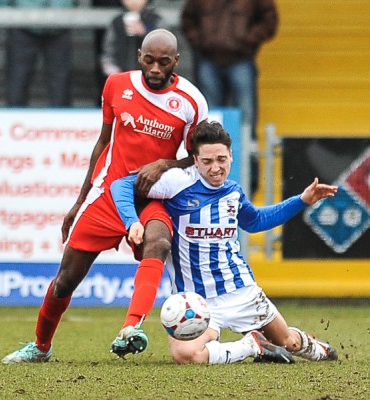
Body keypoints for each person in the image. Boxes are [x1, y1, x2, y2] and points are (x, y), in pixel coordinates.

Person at [1, 28, 208, 364]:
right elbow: (103, 142)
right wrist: (80, 201)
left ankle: (130, 328)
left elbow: (196, 155)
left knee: (158, 242)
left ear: (176, 62)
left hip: (153, 197)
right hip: (108, 194)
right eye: (149, 60)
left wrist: (164, 163)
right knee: (64, 281)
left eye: (164, 62)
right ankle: (40, 346)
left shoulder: (191, 101)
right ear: (140, 55)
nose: (155, 69)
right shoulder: (117, 85)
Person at [110, 120, 339, 365]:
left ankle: (315, 347)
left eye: (221, 159)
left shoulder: (233, 191)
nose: (215, 168)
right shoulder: (177, 183)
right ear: (195, 161)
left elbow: (256, 221)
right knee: (185, 355)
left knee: (288, 343)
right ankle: (253, 345)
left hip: (242, 291)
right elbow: (120, 185)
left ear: (231, 156)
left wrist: (302, 200)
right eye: (207, 162)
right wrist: (132, 221)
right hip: (198, 303)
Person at [181, 0, 279, 196]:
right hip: (209, 60)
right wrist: (202, 42)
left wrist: (248, 39)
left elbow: (270, 19)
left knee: (247, 123)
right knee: (207, 124)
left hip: (241, 60)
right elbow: (187, 19)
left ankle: (249, 182)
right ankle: (203, 179)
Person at [0, 0, 77, 107]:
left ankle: (62, 122)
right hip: (22, 23)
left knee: (61, 86)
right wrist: (4, 14)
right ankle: (15, 120)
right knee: (18, 82)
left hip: (59, 24)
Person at [99, 0, 164, 99]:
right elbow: (108, 50)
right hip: (122, 79)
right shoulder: (117, 22)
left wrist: (144, 33)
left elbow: (164, 47)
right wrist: (113, 71)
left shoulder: (155, 20)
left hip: (150, 80)